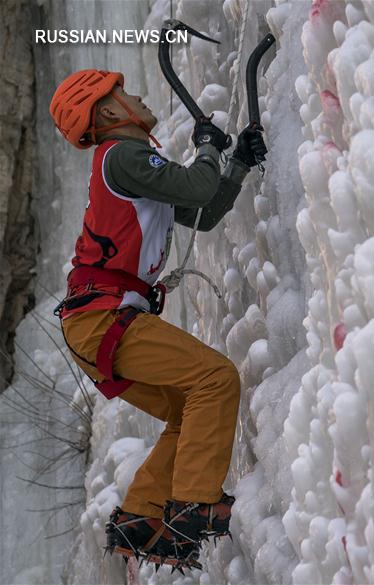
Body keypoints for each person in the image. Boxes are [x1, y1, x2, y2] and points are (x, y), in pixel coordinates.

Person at [49, 69, 267, 570]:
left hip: (94, 323)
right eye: (122, 93)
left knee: (190, 405)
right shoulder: (123, 155)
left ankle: (143, 521)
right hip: (105, 317)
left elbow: (203, 210)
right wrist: (209, 146)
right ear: (106, 112)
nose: (138, 97)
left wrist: (235, 164)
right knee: (214, 378)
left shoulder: (128, 166)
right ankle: (192, 506)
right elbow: (194, 184)